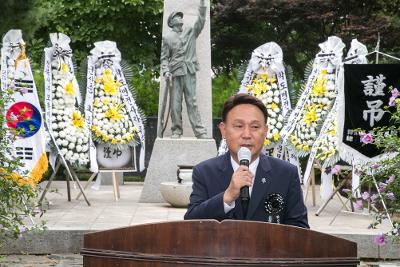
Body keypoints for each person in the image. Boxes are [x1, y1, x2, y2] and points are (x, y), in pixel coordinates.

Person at [184, 94, 309, 228]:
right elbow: (191, 222)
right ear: (223, 130)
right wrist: (227, 197)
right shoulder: (205, 172)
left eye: (255, 127)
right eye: (238, 126)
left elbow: (300, 229)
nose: (247, 135)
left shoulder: (286, 174)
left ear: (265, 131)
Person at [160, 0, 207, 139]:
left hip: (189, 71)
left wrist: (202, 6)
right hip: (175, 73)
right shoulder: (167, 38)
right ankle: (176, 130)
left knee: (192, 102)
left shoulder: (191, 31)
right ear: (172, 21)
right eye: (177, 16)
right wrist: (165, 70)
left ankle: (199, 131)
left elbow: (201, 21)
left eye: (180, 16)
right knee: (175, 104)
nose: (180, 18)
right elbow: (164, 58)